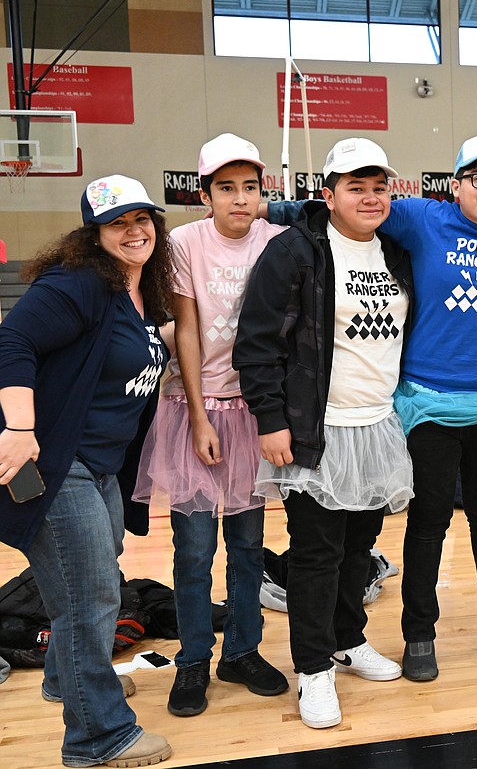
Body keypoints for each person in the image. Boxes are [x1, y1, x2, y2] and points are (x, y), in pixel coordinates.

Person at [267, 132, 477, 682]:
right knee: (428, 523)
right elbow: (344, 207)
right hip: (426, 407)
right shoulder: (422, 218)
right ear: (457, 185)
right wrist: (260, 208)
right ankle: (419, 632)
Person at [234, 138, 414, 728]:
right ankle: (313, 670)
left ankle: (346, 639)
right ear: (328, 194)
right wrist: (272, 419)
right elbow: (257, 343)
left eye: (378, 186)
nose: (369, 196)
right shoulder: (296, 251)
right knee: (316, 555)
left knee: (359, 551)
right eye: (355, 186)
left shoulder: (395, 251)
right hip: (316, 430)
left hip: (377, 424)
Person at [0, 175, 172, 766]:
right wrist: (19, 430)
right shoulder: (78, 284)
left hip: (97, 466)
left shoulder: (142, 293)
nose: (134, 231)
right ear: (94, 234)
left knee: (86, 585)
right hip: (53, 462)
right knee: (90, 595)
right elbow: (12, 341)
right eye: (118, 223)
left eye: (142, 219)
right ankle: (98, 737)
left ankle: (65, 679)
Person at [134, 133, 288, 717]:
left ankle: (242, 650)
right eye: (226, 188)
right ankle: (194, 658)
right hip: (194, 409)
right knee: (194, 551)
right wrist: (200, 416)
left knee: (248, 547)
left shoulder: (279, 240)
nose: (240, 199)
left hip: (256, 414)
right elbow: (189, 330)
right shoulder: (183, 243)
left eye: (250, 187)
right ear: (205, 194)